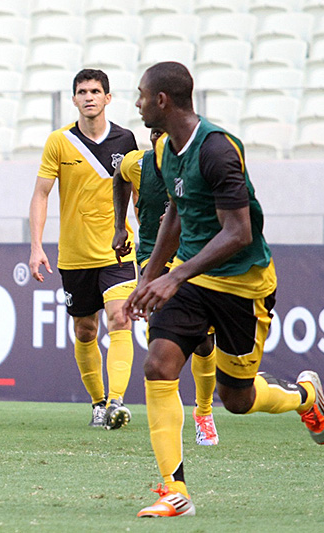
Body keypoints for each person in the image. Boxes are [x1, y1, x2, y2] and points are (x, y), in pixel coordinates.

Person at [129, 61, 324, 518]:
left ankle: (305, 397)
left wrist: (173, 277)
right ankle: (172, 491)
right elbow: (175, 215)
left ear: (161, 100)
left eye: (140, 94)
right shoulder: (164, 151)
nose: (137, 103)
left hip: (244, 284)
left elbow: (238, 232)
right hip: (190, 277)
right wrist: (151, 277)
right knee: (158, 366)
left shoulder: (218, 149)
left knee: (237, 400)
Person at [29, 68, 139, 430]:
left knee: (120, 318)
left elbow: (139, 194)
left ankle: (116, 401)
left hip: (117, 251)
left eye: (95, 91)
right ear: (73, 99)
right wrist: (36, 247)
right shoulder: (59, 142)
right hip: (75, 255)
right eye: (82, 91)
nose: (89, 97)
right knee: (85, 332)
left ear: (108, 98)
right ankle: (96, 402)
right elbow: (41, 195)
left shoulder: (126, 140)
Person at [112, 128, 219, 446]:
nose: (160, 140)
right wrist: (121, 226)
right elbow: (119, 176)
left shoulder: (200, 164)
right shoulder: (138, 164)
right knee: (161, 342)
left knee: (203, 343)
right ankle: (167, 430)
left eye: (166, 133)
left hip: (193, 258)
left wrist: (186, 219)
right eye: (155, 133)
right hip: (152, 258)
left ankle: (204, 413)